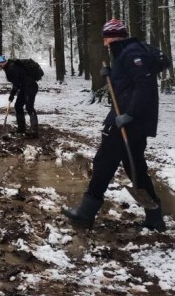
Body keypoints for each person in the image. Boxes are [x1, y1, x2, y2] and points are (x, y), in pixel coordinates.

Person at [62, 19, 165, 232]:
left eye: (106, 38)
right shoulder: (127, 52)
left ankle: (85, 213)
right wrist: (112, 74)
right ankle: (155, 217)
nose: (105, 43)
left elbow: (144, 86)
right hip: (131, 121)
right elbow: (131, 82)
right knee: (134, 167)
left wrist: (129, 114)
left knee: (103, 163)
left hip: (125, 121)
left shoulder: (132, 53)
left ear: (112, 37)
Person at [0, 55, 39, 137]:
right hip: (24, 87)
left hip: (30, 87)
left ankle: (34, 131)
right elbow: (17, 83)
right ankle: (21, 128)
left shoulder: (11, 68)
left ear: (3, 62)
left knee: (29, 107)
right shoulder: (10, 67)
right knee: (18, 106)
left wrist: (12, 94)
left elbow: (16, 83)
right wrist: (12, 95)